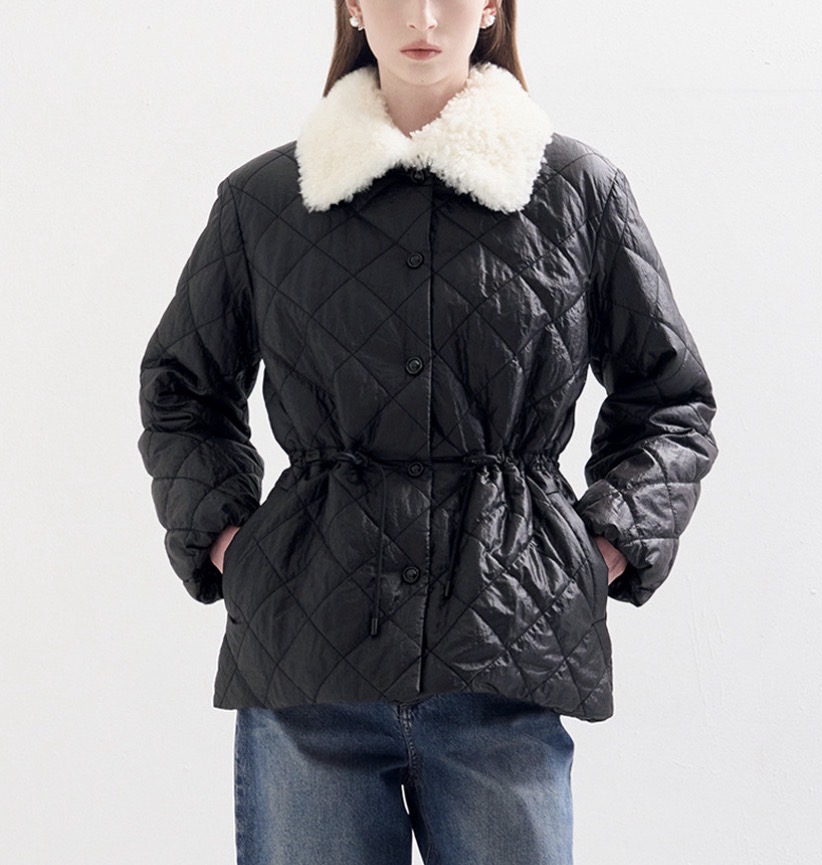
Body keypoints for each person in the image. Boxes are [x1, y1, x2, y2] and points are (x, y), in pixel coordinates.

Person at [137, 1, 719, 862]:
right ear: (352, 7)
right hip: (309, 661)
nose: (421, 15)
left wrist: (599, 546)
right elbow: (181, 389)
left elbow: (670, 398)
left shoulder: (576, 191)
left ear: (490, 8)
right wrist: (230, 540)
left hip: (505, 656)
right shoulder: (265, 201)